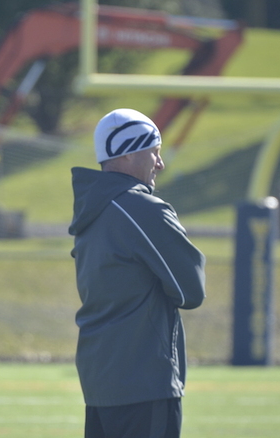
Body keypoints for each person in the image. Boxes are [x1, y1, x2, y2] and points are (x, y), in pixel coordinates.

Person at [68, 109, 206, 438]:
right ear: (128, 152)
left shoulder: (92, 207)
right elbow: (191, 291)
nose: (160, 163)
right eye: (154, 151)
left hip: (99, 379)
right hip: (144, 380)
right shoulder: (141, 208)